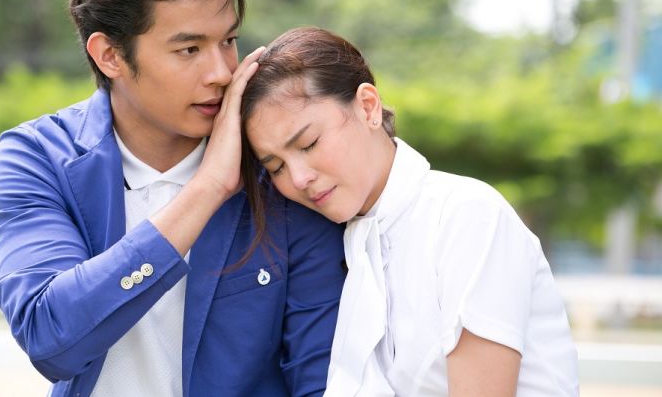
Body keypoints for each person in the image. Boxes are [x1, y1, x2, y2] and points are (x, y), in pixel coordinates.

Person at [0, 0, 346, 397]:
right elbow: (50, 338)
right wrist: (206, 189)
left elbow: (322, 379)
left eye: (228, 41)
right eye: (189, 49)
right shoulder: (38, 159)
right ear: (110, 55)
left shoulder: (279, 170)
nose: (221, 72)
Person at [239, 27, 580, 397]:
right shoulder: (347, 242)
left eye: (309, 143)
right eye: (276, 167)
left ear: (368, 107)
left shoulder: (465, 215)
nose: (299, 178)